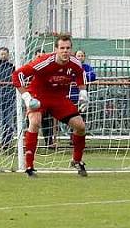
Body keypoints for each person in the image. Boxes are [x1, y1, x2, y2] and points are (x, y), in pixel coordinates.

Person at [12, 33, 88, 177]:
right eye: (62, 48)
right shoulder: (44, 61)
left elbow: (80, 75)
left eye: (68, 48)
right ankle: (29, 166)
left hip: (58, 98)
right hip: (38, 95)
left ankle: (77, 160)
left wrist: (83, 94)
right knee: (34, 122)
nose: (65, 51)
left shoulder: (75, 62)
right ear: (56, 49)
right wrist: (27, 97)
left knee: (80, 126)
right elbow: (17, 75)